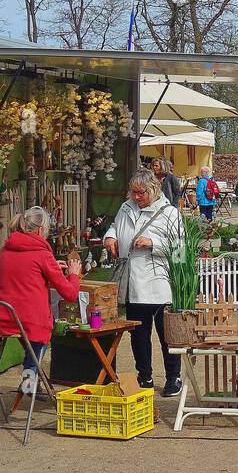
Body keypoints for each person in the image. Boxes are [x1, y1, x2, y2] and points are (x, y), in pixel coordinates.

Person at [103, 168, 184, 395]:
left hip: (160, 285)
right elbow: (115, 227)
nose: (136, 197)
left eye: (141, 193)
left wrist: (153, 244)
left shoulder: (170, 213)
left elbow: (180, 250)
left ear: (153, 190)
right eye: (133, 192)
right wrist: (110, 237)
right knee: (138, 335)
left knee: (167, 336)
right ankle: (144, 377)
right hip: (133, 285)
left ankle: (173, 378)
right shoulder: (126, 207)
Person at [0, 206, 82, 394]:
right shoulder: (42, 254)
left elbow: (25, 272)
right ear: (40, 230)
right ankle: (30, 377)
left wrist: (51, 267)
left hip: (3, 318)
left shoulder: (5, 251)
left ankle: (31, 377)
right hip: (29, 321)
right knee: (40, 334)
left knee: (32, 335)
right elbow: (71, 295)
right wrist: (73, 275)